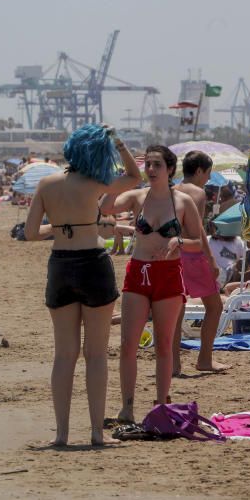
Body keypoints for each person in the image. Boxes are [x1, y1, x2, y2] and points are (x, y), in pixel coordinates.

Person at [25, 124, 141, 446]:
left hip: (61, 264)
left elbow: (31, 233)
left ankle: (61, 434)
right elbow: (135, 176)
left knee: (64, 356)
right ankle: (95, 433)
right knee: (97, 354)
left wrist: (60, 227)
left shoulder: (47, 184)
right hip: (93, 264)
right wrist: (118, 142)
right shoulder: (98, 183)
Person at [102, 145, 205, 424]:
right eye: (148, 164)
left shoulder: (183, 202)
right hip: (139, 272)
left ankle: (160, 403)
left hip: (169, 275)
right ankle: (127, 407)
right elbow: (105, 208)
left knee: (163, 344)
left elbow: (199, 243)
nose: (150, 170)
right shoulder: (137, 196)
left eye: (157, 165)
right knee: (127, 345)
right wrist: (124, 177)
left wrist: (178, 241)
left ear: (170, 169)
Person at [172, 150, 228, 374]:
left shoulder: (171, 190)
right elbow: (199, 231)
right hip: (193, 254)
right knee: (215, 306)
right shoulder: (197, 193)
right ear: (198, 171)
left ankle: (173, 364)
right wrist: (211, 259)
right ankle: (205, 359)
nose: (208, 178)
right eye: (208, 173)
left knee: (176, 310)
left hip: (173, 252)